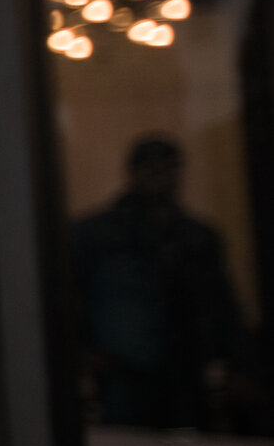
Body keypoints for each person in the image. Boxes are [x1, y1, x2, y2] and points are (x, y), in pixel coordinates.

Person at [69, 133, 245, 429]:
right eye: (151, 168)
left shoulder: (197, 237)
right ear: (135, 172)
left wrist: (236, 362)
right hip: (124, 369)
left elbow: (220, 303)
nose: (161, 177)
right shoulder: (96, 235)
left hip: (182, 370)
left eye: (168, 168)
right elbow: (75, 297)